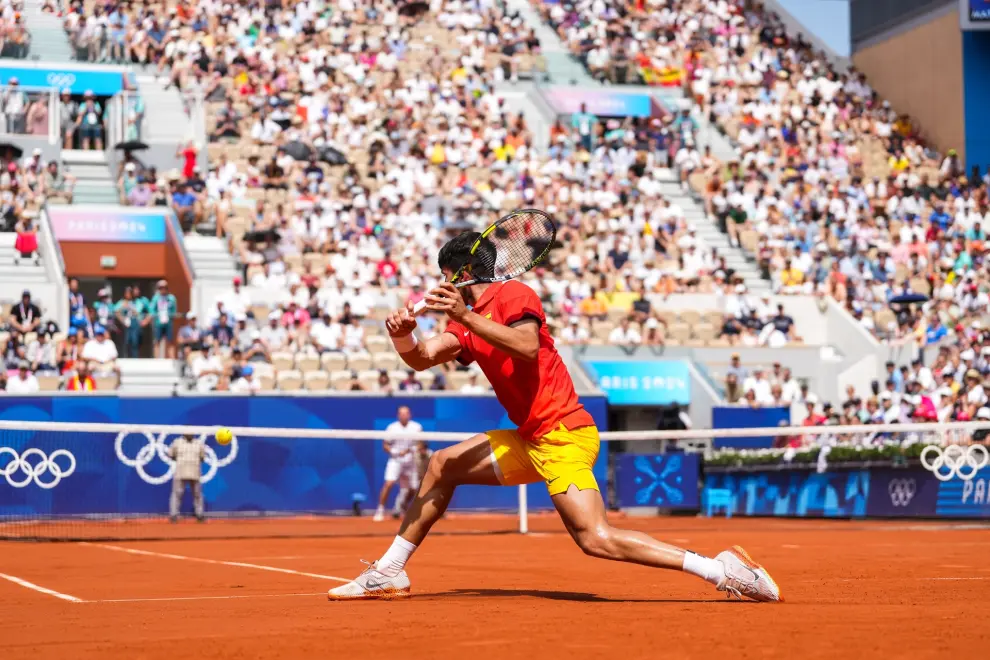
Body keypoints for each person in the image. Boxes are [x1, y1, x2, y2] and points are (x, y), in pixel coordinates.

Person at [329, 232, 781, 602]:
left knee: (595, 539)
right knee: (442, 464)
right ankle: (389, 571)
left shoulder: (514, 293)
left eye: (445, 275)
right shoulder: (464, 321)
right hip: (531, 438)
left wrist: (464, 314)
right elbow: (424, 358)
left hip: (564, 434)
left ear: (459, 274)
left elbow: (525, 347)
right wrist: (404, 337)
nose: (442, 283)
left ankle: (723, 571)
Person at [374, 406, 423, 522]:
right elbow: (385, 445)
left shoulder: (416, 427)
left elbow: (421, 444)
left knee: (414, 488)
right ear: (398, 415)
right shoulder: (392, 428)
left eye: (406, 413)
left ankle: (402, 506)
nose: (404, 415)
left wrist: (411, 450)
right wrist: (395, 452)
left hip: (411, 461)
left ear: (410, 415)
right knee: (389, 483)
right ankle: (380, 510)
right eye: (402, 413)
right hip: (395, 460)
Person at [168, 435, 206, 523]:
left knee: (197, 494)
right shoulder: (177, 442)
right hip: (181, 471)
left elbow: (202, 457)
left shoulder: (199, 443)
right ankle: (174, 515)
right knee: (177, 494)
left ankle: (199, 515)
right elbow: (171, 454)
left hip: (195, 472)